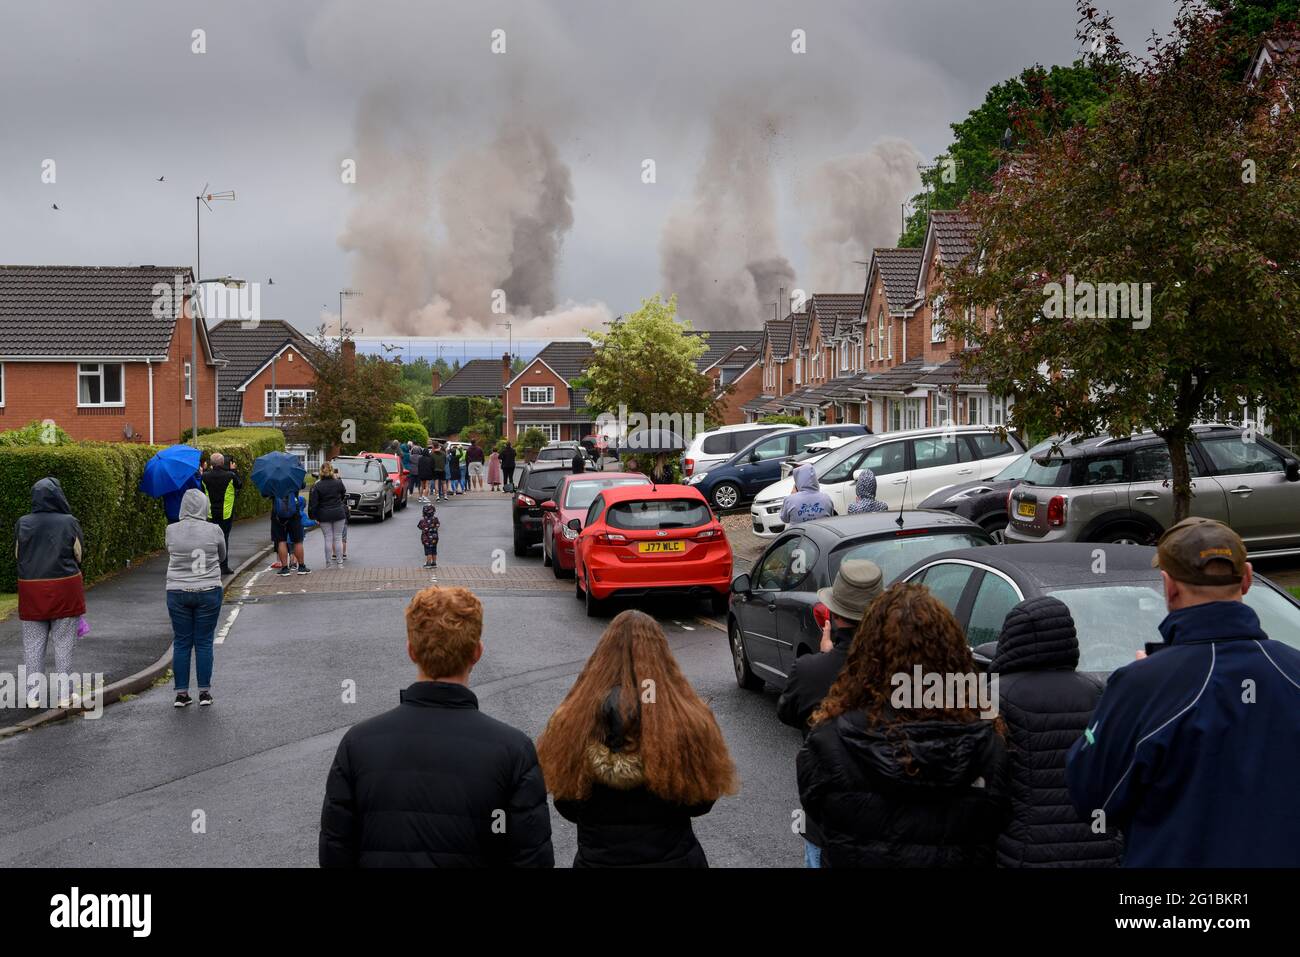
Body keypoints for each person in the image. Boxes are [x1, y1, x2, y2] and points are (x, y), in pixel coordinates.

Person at [1065, 517, 1300, 867]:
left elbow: (1092, 798)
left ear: (1169, 586)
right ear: (1247, 579)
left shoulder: (1142, 685)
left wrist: (1136, 691)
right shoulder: (1292, 670)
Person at [319, 586, 553, 867]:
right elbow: (532, 860)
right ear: (477, 652)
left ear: (411, 651)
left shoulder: (357, 744)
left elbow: (335, 854)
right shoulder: (514, 750)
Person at [797, 583, 1010, 867]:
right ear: (952, 655)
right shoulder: (987, 744)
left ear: (865, 652)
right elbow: (999, 819)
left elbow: (817, 810)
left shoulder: (829, 741)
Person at [536, 609, 738, 867]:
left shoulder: (573, 721)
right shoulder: (688, 721)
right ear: (663, 658)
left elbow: (566, 804)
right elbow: (701, 802)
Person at [991, 596, 1123, 867]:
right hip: (1100, 849)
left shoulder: (994, 696)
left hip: (1025, 850)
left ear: (1011, 639)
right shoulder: (1098, 692)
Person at [776, 559, 883, 868]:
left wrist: (827, 659)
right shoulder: (902, 669)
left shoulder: (810, 670)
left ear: (834, 615)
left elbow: (787, 713)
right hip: (890, 823)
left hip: (827, 823)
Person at [16, 478, 86, 709]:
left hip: (32, 589)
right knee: (64, 643)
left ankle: (32, 695)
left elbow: (18, 554)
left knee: (33, 645)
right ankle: (65, 695)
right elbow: (78, 555)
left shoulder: (23, 523)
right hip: (64, 587)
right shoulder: (69, 522)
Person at [165, 488, 226, 708]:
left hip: (177, 590)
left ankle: (181, 693)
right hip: (208, 588)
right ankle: (204, 693)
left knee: (182, 642)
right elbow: (222, 555)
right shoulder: (214, 530)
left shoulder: (171, 530)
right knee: (203, 641)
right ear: (204, 506)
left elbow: (170, 551)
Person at [201, 452, 243, 574]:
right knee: (224, 539)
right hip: (226, 512)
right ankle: (224, 566)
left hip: (210, 513)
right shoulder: (230, 475)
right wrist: (234, 471)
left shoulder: (205, 477)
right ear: (223, 463)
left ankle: (212, 565)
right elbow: (239, 485)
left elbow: (201, 490)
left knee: (212, 540)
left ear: (211, 464)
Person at [308, 463, 349, 567]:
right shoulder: (338, 482)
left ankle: (328, 563)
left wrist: (315, 516)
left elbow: (314, 503)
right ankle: (340, 562)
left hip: (324, 514)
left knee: (328, 538)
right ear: (332, 470)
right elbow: (343, 493)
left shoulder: (317, 485)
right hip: (338, 513)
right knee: (338, 538)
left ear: (321, 471)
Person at [271, 486, 310, 576]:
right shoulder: (293, 476)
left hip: (277, 515)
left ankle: (285, 569)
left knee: (281, 541)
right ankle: (301, 567)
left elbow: (265, 494)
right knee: (297, 541)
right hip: (294, 513)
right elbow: (303, 485)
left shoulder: (272, 479)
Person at [418, 503, 440, 569]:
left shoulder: (423, 520)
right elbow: (438, 525)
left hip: (426, 538)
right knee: (434, 550)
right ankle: (434, 562)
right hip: (435, 537)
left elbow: (419, 526)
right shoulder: (435, 519)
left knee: (428, 551)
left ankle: (428, 563)